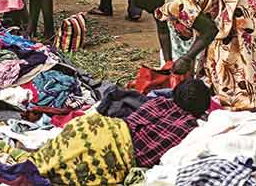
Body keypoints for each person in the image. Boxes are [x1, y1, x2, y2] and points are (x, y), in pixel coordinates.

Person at [131, 0, 256, 114]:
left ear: (150, 4)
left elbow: (209, 30)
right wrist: (168, 62)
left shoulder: (175, 3)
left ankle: (252, 103)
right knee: (221, 52)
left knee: (247, 46)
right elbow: (164, 30)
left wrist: (186, 58)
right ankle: (243, 96)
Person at [26, 79, 210, 185]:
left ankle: (37, 165)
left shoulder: (158, 102)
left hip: (105, 128)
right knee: (79, 165)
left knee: (68, 145)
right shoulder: (191, 129)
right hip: (119, 153)